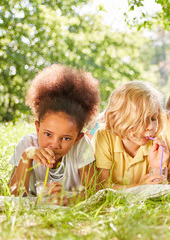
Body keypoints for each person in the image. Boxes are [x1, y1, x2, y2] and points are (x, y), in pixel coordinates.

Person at [8, 64, 100, 205]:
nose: (55, 144)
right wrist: (27, 157)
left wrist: (68, 199)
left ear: (77, 138)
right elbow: (13, 195)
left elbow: (94, 190)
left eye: (65, 138)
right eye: (48, 134)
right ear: (37, 128)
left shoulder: (81, 146)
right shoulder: (27, 145)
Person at [93, 81, 169, 189]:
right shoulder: (104, 137)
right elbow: (101, 186)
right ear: (120, 119)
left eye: (153, 119)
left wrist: (156, 167)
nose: (151, 127)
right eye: (142, 120)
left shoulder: (156, 143)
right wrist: (139, 187)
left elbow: (158, 189)